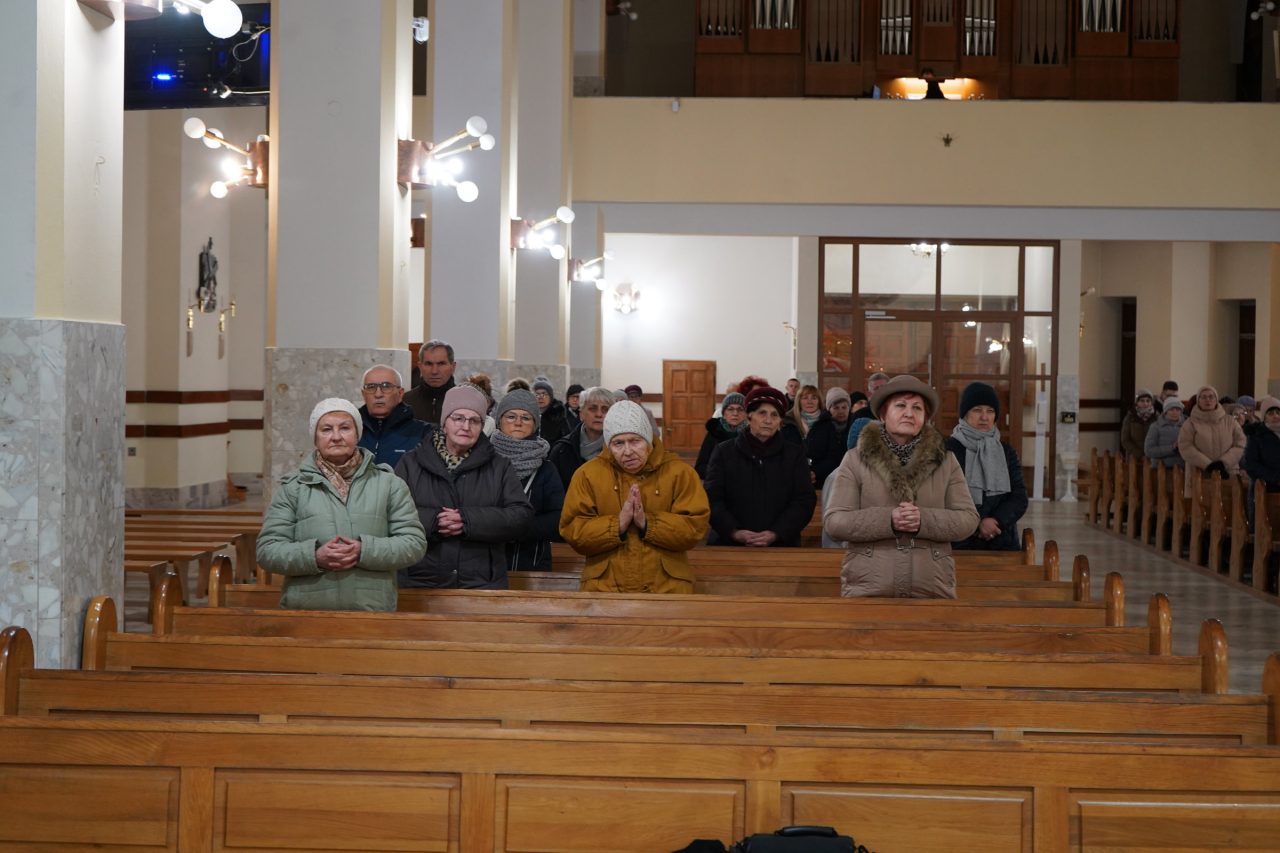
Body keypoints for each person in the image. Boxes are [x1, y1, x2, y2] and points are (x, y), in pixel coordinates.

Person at [257, 398, 426, 611]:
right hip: (306, 612)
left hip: (372, 611)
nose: (336, 437)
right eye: (326, 429)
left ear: (357, 434)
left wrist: (365, 551)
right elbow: (267, 550)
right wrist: (314, 557)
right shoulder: (294, 487)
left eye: (345, 428)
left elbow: (413, 544)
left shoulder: (389, 484)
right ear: (315, 438)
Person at [823, 375, 979, 598]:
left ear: (925, 417)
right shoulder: (855, 460)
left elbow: (968, 519)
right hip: (868, 586)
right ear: (883, 414)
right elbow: (835, 522)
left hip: (932, 586)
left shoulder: (946, 461)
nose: (909, 413)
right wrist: (889, 519)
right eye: (900, 405)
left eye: (917, 408)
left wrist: (923, 520)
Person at [560, 401, 709, 593]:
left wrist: (648, 523)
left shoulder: (680, 473)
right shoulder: (587, 475)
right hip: (604, 588)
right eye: (618, 443)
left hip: (667, 588)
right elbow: (573, 530)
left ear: (648, 439)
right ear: (608, 445)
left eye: (635, 441)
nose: (628, 451)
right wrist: (618, 525)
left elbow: (695, 527)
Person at [395, 384, 534, 588]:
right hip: (420, 580)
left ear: (482, 425)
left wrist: (467, 520)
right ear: (444, 423)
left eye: (474, 420)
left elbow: (520, 517)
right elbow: (392, 514)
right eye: (458, 418)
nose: (466, 426)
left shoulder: (499, 466)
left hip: (481, 582)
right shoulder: (411, 463)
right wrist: (434, 521)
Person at [704, 386, 816, 547]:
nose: (768, 420)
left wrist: (776, 532)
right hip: (729, 543)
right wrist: (733, 531)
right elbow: (712, 498)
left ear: (780, 422)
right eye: (762, 413)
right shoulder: (724, 452)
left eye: (774, 415)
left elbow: (804, 500)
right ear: (749, 417)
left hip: (780, 544)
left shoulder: (794, 454)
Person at [944, 382, 1028, 551]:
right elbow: (941, 496)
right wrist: (975, 524)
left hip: (1001, 540)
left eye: (990, 411)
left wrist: (995, 521)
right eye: (977, 410)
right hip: (958, 541)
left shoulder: (1006, 452)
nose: (984, 417)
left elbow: (1019, 497)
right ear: (964, 414)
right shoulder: (947, 449)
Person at [490, 389, 565, 570]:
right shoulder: (484, 461)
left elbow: (558, 518)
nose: (518, 423)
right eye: (511, 417)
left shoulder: (546, 469)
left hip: (532, 566)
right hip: (485, 566)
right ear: (499, 421)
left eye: (526, 418)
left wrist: (517, 529)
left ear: (535, 424)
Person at [1176, 385, 1246, 495]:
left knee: (1229, 503)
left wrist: (1223, 463)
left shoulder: (1230, 421)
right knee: (1200, 504)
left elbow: (1240, 443)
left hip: (1227, 472)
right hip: (1200, 473)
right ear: (1198, 400)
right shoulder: (1190, 423)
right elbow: (1185, 446)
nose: (1208, 400)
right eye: (1203, 397)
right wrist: (1208, 465)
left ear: (1216, 399)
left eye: (1211, 397)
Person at [357, 365, 428, 469]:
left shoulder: (424, 433)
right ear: (363, 395)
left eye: (386, 386)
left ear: (400, 393)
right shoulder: (351, 432)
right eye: (371, 387)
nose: (378, 394)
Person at [549, 386, 615, 488]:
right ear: (581, 414)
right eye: (592, 409)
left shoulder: (619, 450)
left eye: (605, 409)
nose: (599, 414)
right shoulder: (562, 450)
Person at [806, 387, 852, 489]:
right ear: (829, 409)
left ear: (849, 408)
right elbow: (814, 455)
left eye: (844, 407)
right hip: (824, 480)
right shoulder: (820, 428)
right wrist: (815, 472)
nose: (841, 411)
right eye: (836, 408)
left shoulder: (854, 426)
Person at [694, 390, 746, 479]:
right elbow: (700, 467)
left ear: (746, 414)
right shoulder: (714, 432)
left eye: (740, 409)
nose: (735, 413)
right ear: (723, 413)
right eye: (730, 409)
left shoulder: (751, 434)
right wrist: (719, 473)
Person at [403, 339, 456, 426]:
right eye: (428, 364)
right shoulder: (406, 401)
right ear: (420, 367)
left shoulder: (464, 401)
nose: (434, 371)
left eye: (441, 364)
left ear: (453, 367)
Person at [1242, 397, 1280, 491]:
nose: (1275, 416)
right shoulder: (1257, 435)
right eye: (1270, 413)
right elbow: (1251, 464)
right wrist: (1275, 478)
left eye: (1278, 412)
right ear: (1264, 417)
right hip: (1267, 488)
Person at [1144, 397, 1185, 468]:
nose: (1175, 412)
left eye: (1177, 409)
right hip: (1161, 468)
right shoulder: (1155, 427)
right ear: (1166, 411)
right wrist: (1172, 448)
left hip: (1182, 467)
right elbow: (1148, 451)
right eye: (1171, 409)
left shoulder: (1186, 426)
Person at [532, 377, 572, 445]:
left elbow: (567, 440)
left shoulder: (558, 416)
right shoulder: (528, 416)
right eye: (537, 394)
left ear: (550, 397)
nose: (540, 397)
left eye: (544, 394)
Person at [1119, 389, 1158, 458]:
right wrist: (1140, 453)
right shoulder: (1130, 417)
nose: (1145, 403)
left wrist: (1152, 452)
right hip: (1134, 457)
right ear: (1137, 402)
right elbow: (1125, 440)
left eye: (1148, 401)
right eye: (1142, 401)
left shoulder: (1157, 417)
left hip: (1152, 457)